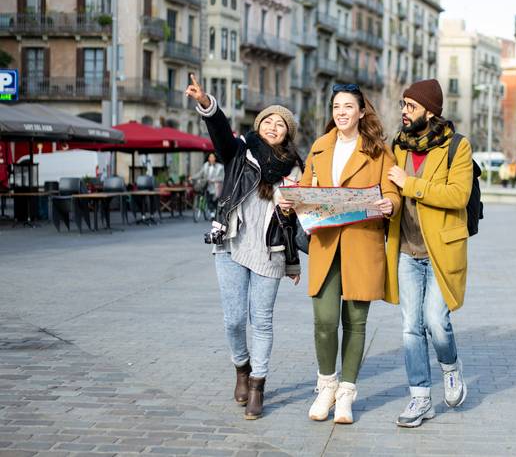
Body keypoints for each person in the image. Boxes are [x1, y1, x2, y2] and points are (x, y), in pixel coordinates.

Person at [185, 75, 304, 421]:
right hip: (231, 242)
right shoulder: (239, 152)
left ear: (287, 132)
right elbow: (220, 133)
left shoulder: (295, 168)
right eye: (267, 120)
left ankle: (257, 385)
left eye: (279, 123)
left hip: (271, 251)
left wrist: (294, 263)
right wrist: (208, 104)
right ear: (259, 125)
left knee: (262, 321)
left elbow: (294, 220)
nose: (272, 126)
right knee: (234, 320)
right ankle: (241, 366)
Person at [283, 83, 400, 425]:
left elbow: (392, 189)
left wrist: (390, 203)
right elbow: (306, 189)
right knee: (324, 321)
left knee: (355, 321)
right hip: (324, 244)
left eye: (348, 106)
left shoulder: (378, 149)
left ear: (362, 111)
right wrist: (292, 203)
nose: (341, 112)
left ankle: (347, 393)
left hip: (362, 242)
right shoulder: (320, 147)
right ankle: (326, 386)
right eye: (336, 106)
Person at [384, 79, 472, 428]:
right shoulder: (399, 146)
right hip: (406, 250)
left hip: (440, 250)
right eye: (403, 105)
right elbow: (391, 189)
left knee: (436, 322)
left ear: (429, 111)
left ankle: (450, 367)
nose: (404, 112)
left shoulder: (457, 147)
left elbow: (457, 196)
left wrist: (411, 184)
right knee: (410, 326)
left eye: (410, 106)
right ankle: (420, 397)